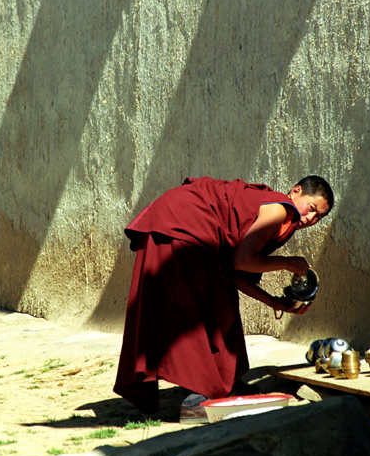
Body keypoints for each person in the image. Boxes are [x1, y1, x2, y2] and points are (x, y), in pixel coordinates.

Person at [113, 175, 333, 423]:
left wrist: (275, 303)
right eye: (312, 208)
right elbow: (243, 261)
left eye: (319, 217)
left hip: (183, 230)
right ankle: (201, 399)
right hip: (180, 228)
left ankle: (228, 384)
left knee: (222, 302)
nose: (310, 219)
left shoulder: (280, 217)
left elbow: (232, 273)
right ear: (295, 192)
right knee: (193, 318)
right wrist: (287, 263)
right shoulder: (279, 209)